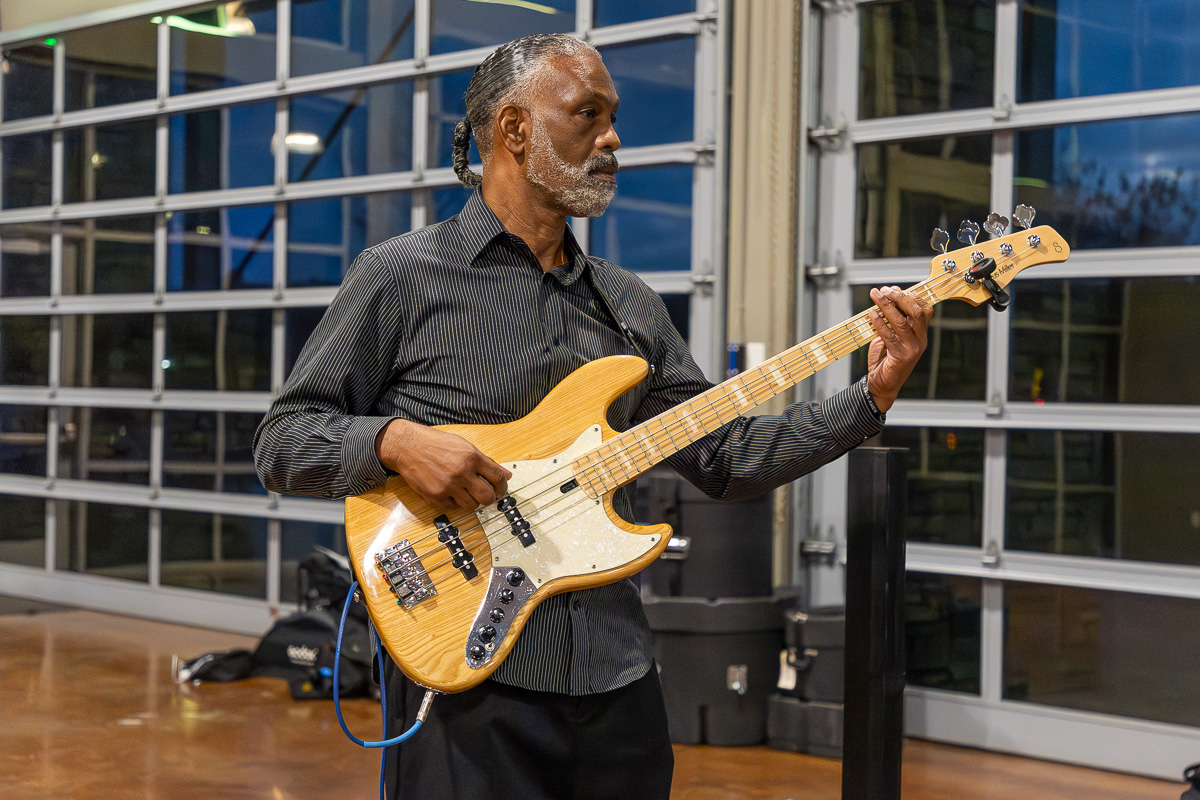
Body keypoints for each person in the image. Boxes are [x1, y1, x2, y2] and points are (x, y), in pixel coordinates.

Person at [253, 32, 932, 800]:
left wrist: (872, 394)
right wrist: (394, 440)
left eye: (614, 118)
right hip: (468, 680)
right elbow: (282, 442)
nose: (612, 139)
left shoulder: (628, 304)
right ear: (515, 129)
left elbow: (726, 459)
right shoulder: (401, 277)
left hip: (615, 680)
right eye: (588, 114)